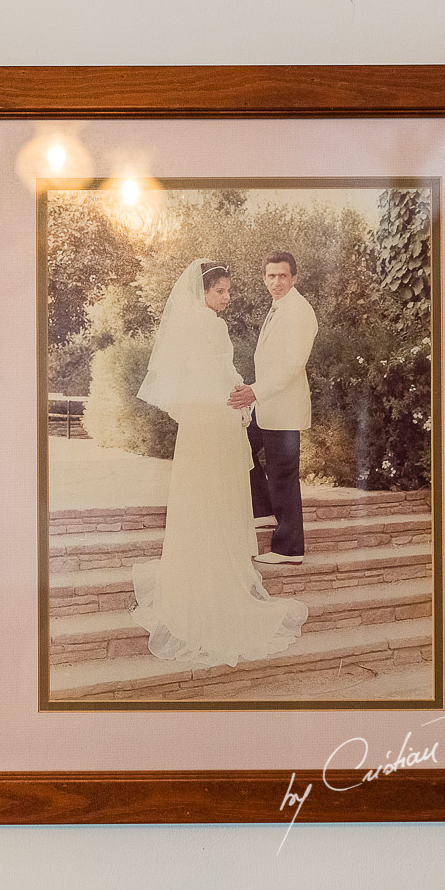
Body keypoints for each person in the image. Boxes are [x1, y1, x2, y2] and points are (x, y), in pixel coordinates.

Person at [130, 259, 308, 667]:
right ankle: (215, 582)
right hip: (213, 420)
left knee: (201, 496)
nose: (227, 297)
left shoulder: (191, 322)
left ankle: (193, 573)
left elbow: (198, 376)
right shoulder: (209, 324)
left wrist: (238, 393)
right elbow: (215, 374)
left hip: (198, 422)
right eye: (221, 291)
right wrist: (238, 401)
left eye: (228, 290)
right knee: (217, 495)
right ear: (203, 291)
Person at [228, 251, 318, 565]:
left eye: (282, 275)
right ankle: (263, 509)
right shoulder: (279, 306)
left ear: (294, 277)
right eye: (270, 275)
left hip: (284, 408)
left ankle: (289, 549)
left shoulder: (299, 310)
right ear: (264, 277)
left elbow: (293, 364)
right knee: (239, 446)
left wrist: (255, 391)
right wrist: (255, 392)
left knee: (283, 475)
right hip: (267, 406)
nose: (276, 282)